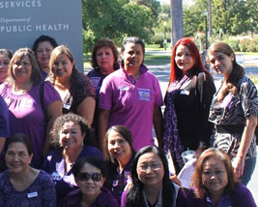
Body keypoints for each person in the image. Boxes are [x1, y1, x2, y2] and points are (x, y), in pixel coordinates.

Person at [0, 48, 62, 168]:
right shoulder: (1, 91)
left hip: (37, 158)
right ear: (11, 66)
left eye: (25, 63)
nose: (21, 67)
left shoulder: (45, 89)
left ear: (33, 67)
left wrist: (46, 152)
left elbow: (56, 121)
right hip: (6, 161)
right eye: (17, 63)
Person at [98, 36, 163, 152]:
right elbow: (103, 117)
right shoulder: (111, 81)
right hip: (119, 150)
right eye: (130, 52)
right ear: (122, 53)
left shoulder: (152, 80)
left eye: (138, 53)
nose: (134, 56)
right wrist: (104, 149)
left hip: (145, 149)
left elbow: (157, 116)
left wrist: (161, 146)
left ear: (143, 56)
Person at [207, 42, 258, 186]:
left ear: (232, 57)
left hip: (240, 153)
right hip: (220, 152)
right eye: (212, 61)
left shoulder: (245, 85)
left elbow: (252, 122)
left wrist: (240, 158)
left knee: (236, 198)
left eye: (220, 58)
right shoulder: (222, 85)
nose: (217, 63)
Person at [163, 38, 215, 172]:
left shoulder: (202, 79)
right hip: (176, 144)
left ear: (195, 56)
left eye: (187, 54)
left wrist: (201, 146)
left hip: (195, 146)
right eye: (179, 55)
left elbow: (208, 114)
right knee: (183, 185)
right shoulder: (175, 82)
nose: (183, 58)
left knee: (196, 186)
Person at [43, 114, 103, 204]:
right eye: (65, 132)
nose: (68, 136)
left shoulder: (92, 154)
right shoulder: (52, 157)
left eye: (74, 132)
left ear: (83, 135)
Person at [47, 45, 96, 125]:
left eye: (64, 63)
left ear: (72, 63)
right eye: (56, 63)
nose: (59, 67)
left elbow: (86, 124)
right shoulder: (47, 85)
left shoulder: (83, 86)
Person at [103, 125, 135, 202]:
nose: (116, 146)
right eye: (112, 143)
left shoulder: (139, 165)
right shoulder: (108, 168)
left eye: (121, 141)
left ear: (129, 143)